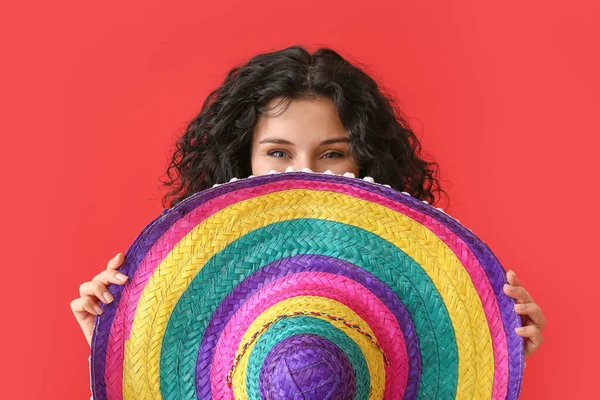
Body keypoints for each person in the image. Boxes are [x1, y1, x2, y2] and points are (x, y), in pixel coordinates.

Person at [70, 45, 546, 362]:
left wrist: (497, 354)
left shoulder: (427, 282)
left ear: (364, 161)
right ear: (244, 158)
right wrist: (113, 349)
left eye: (332, 153)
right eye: (278, 152)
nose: (304, 172)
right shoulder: (183, 280)